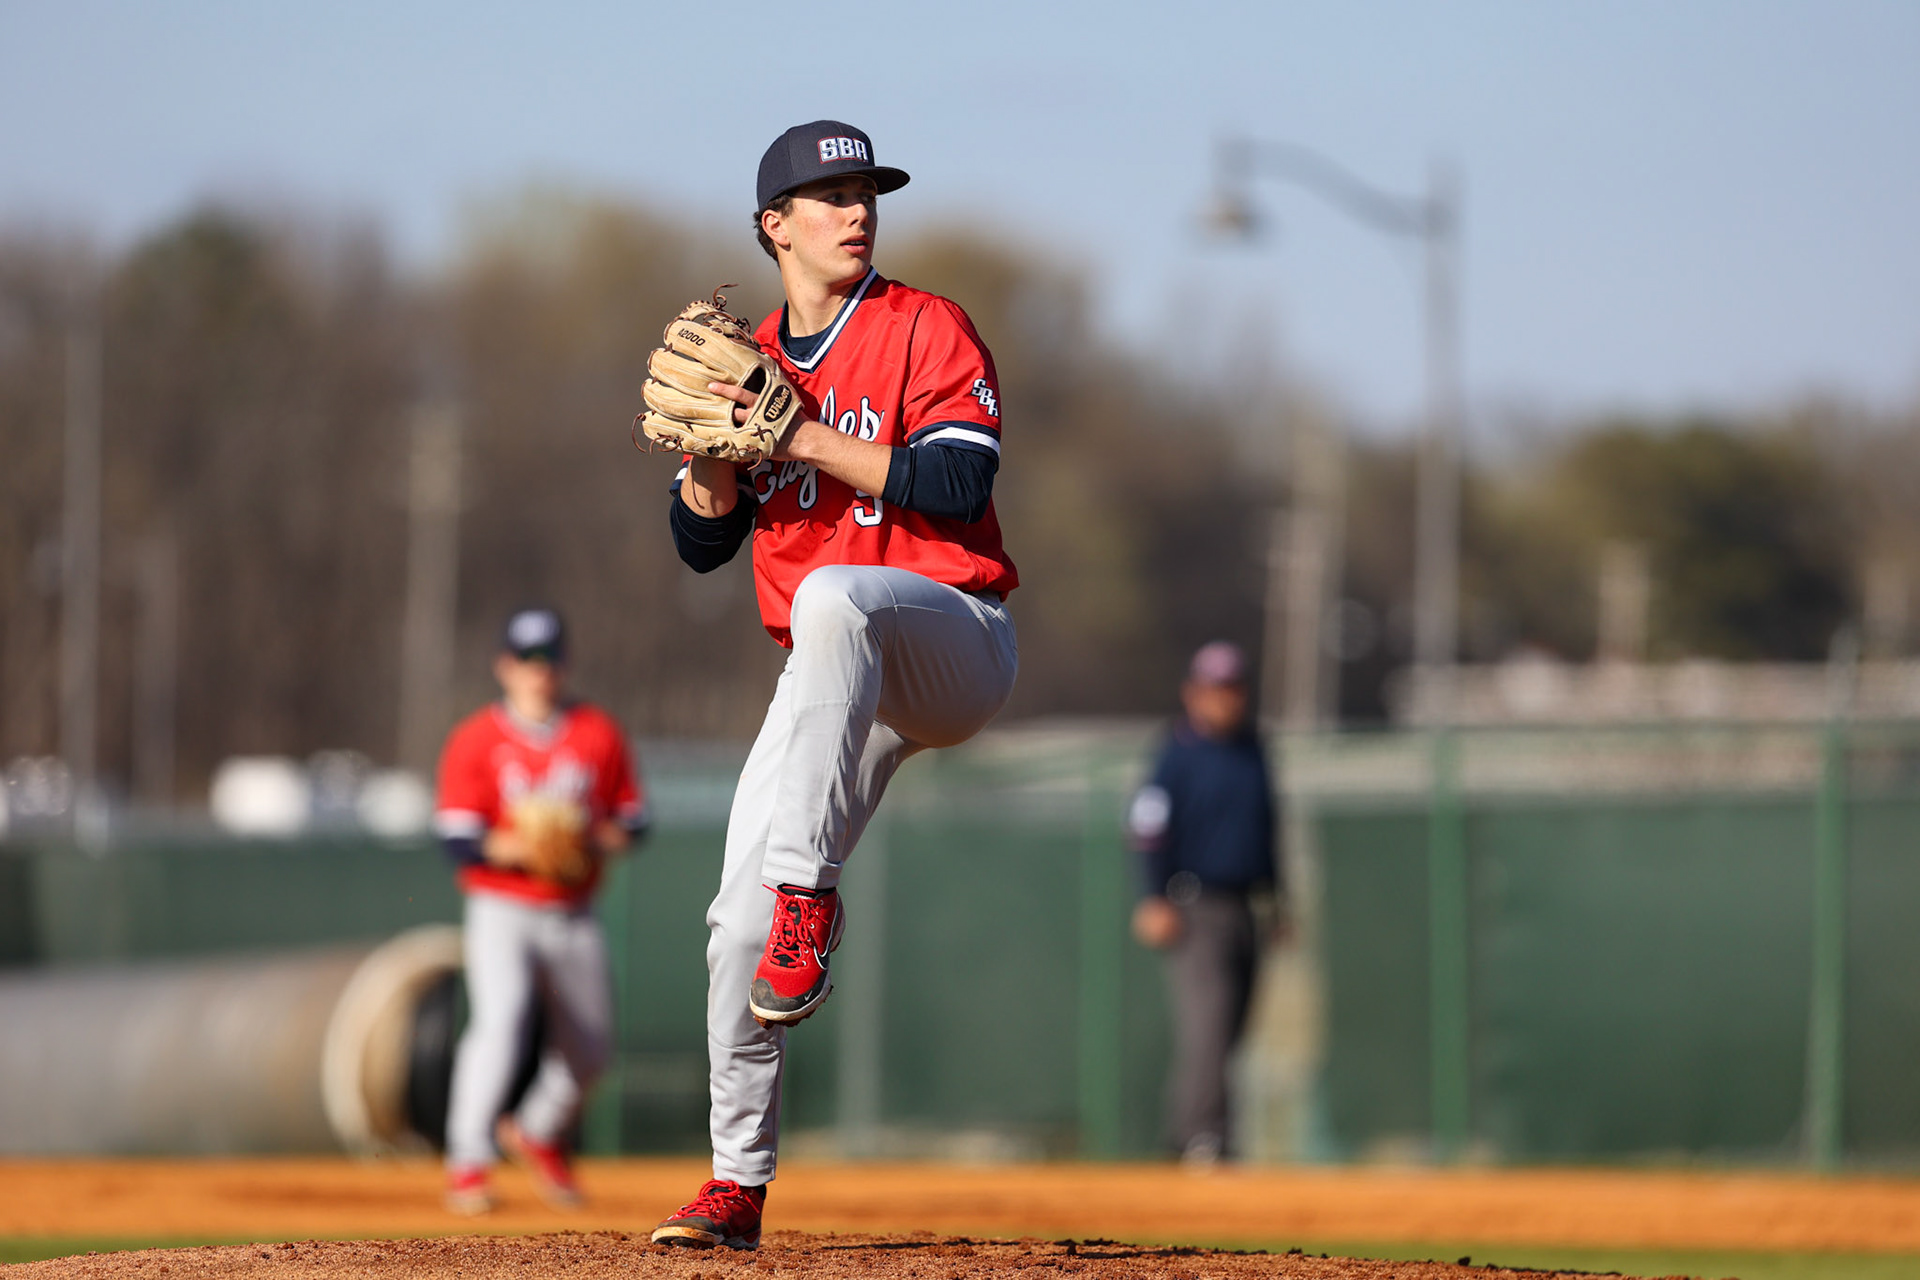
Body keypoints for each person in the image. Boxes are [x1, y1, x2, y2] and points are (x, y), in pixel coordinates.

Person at [648, 120, 1019, 1250]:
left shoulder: (923, 325)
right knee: (731, 927)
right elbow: (702, 546)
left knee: (833, 595)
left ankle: (811, 895)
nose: (857, 210)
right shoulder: (747, 352)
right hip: (831, 680)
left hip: (952, 634)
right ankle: (733, 1182)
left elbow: (958, 480)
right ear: (775, 226)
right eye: (830, 193)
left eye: (866, 190)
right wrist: (718, 454)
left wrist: (800, 433)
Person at [432, 606, 649, 1214]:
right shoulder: (476, 738)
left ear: (565, 664)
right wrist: (518, 845)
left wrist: (591, 839)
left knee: (591, 1049)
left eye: (548, 659)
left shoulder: (597, 734)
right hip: (500, 905)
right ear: (505, 666)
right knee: (500, 1022)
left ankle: (538, 1129)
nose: (539, 671)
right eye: (527, 660)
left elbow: (634, 820)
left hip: (573, 908)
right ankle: (468, 1160)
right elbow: (455, 834)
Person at [1126, 640, 1281, 1165]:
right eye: (1214, 689)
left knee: (1233, 1028)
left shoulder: (1253, 748)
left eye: (1233, 688)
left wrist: (1278, 901)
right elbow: (1148, 829)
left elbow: (1269, 829)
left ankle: (1193, 1136)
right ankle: (1203, 1138)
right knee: (1208, 1024)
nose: (1224, 699)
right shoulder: (1177, 753)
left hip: (1245, 906)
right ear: (1193, 693)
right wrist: (1153, 896)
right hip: (1192, 905)